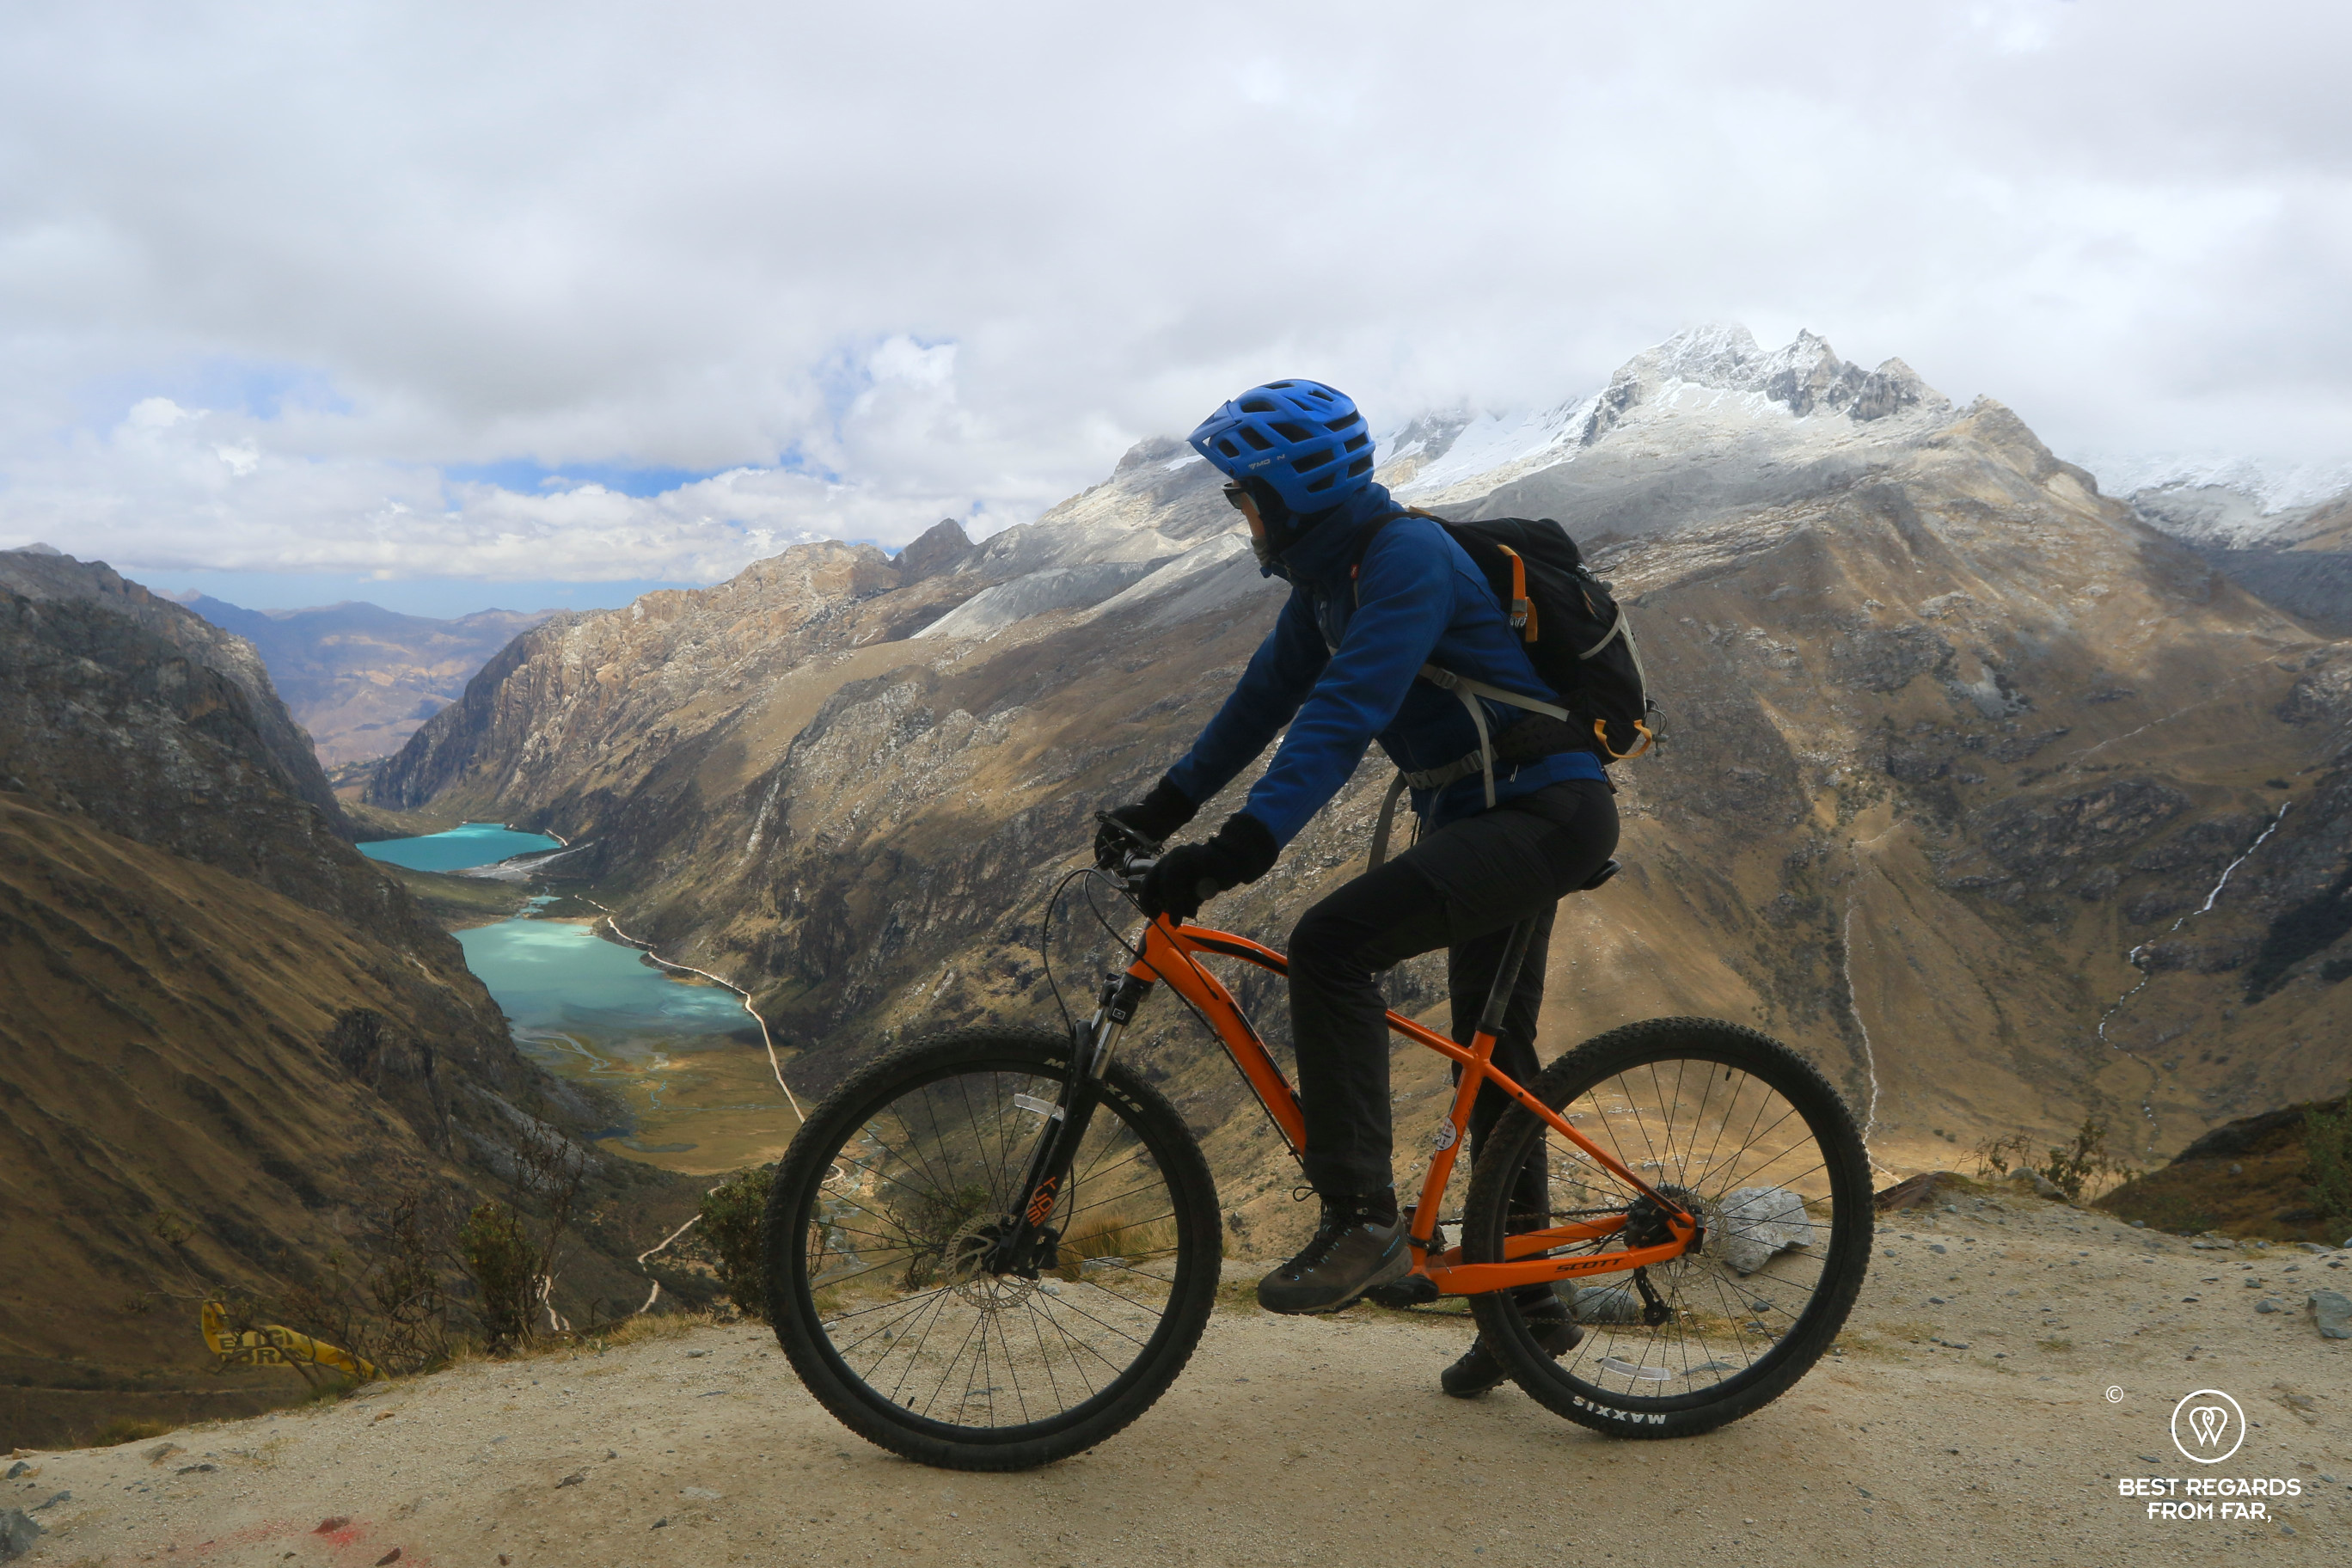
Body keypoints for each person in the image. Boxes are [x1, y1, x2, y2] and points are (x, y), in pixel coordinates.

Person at [1093, 379, 1620, 1397]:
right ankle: (1532, 1307)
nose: (1240, 514)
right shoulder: (1327, 583)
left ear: (1297, 489)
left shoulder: (1404, 561)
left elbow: (1342, 714)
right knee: (1493, 1053)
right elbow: (1259, 707)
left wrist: (1239, 847)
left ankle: (1365, 1223)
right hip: (1487, 816)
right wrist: (1159, 812)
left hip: (1543, 813)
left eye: (1246, 495)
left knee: (1332, 945)